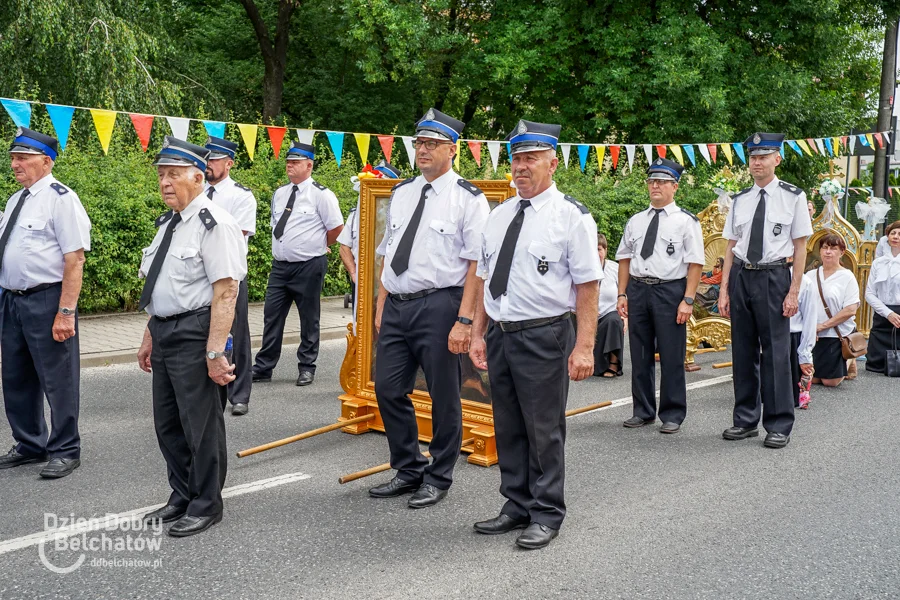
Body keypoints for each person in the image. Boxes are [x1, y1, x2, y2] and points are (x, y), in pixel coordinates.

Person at [469, 119, 601, 550]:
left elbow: (587, 287)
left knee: (543, 428)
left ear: (553, 162)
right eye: (516, 159)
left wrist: (584, 347)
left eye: (530, 159)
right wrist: (476, 332)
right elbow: (487, 278)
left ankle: (546, 512)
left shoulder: (572, 218)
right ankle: (516, 503)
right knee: (507, 424)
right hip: (502, 335)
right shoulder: (499, 214)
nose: (520, 167)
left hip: (546, 334)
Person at [368, 108, 489, 509]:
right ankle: (408, 467)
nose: (422, 150)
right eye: (419, 143)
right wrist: (382, 302)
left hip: (441, 305)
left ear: (452, 150)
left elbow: (476, 266)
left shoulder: (468, 199)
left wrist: (465, 320)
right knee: (386, 387)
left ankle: (439, 475)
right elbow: (388, 252)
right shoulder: (402, 192)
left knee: (443, 395)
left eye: (432, 144)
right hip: (399, 305)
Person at [137, 137, 247, 537]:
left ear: (198, 177)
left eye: (173, 174)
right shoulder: (168, 223)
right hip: (165, 330)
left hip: (196, 332)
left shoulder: (214, 223)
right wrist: (150, 333)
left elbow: (226, 291)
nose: (165, 182)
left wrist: (216, 351)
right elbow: (160, 286)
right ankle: (181, 493)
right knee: (168, 423)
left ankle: (206, 503)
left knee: (199, 425)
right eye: (161, 175)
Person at [0, 127, 91, 479]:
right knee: (16, 376)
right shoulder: (15, 200)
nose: (15, 164)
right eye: (12, 158)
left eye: (23, 158)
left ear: (46, 161)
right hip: (13, 301)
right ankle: (29, 444)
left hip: (47, 300)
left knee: (58, 378)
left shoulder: (61, 198)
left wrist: (65, 312)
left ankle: (66, 448)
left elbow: (75, 258)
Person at [718, 133, 812, 449]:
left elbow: (801, 248)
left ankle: (778, 423)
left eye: (764, 156)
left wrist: (793, 291)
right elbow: (731, 246)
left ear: (777, 159)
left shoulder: (793, 196)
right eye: (753, 157)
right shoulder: (740, 199)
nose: (757, 162)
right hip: (742, 275)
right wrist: (724, 290)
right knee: (743, 352)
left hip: (774, 277)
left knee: (775, 352)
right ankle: (745, 420)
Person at [615, 158, 704, 434]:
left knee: (671, 354)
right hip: (639, 289)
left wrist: (688, 299)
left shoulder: (686, 222)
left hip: (669, 291)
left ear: (674, 186)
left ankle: (673, 413)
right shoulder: (636, 221)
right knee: (639, 354)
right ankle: (643, 410)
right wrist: (621, 293)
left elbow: (695, 263)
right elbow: (624, 259)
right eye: (652, 181)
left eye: (662, 181)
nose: (655, 186)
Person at [251, 141, 343, 386]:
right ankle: (264, 366)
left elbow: (336, 228)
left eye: (295, 162)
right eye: (288, 162)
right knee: (272, 316)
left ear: (309, 165)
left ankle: (306, 366)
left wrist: (317, 245)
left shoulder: (322, 195)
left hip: (309, 265)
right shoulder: (280, 193)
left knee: (309, 318)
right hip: (280, 266)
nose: (289, 166)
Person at [204, 136, 257, 416]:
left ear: (229, 163)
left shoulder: (241, 195)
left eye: (214, 160)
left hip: (230, 275)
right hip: (202, 275)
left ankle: (240, 394)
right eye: (207, 159)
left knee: (236, 334)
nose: (208, 165)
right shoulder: (197, 190)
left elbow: (237, 235)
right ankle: (212, 389)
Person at [338, 160, 401, 321]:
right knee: (361, 325)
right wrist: (354, 273)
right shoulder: (355, 215)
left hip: (390, 284)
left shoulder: (400, 214)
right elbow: (344, 247)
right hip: (362, 280)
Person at [806, 233, 860, 387]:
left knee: (830, 382)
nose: (828, 252)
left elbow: (850, 310)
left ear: (842, 252)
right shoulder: (810, 275)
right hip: (814, 333)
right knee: (814, 379)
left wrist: (822, 326)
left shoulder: (847, 277)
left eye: (833, 248)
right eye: (825, 248)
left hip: (836, 333)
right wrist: (810, 328)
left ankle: (849, 358)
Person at [865, 220, 900, 373]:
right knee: (875, 368)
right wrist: (888, 313)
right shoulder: (878, 263)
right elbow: (869, 293)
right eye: (893, 233)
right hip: (882, 315)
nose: (896, 236)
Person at [593, 233, 625, 377]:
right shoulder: (579, 268)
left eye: (599, 249)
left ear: (605, 251)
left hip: (607, 316)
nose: (596, 253)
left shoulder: (615, 269)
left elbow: (625, 295)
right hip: (584, 316)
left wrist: (626, 317)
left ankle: (613, 364)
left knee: (615, 320)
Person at [789, 271, 817, 408]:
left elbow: (809, 319)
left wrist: (805, 354)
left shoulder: (805, 282)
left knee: (788, 398)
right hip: (769, 337)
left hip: (793, 337)